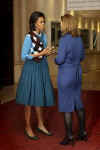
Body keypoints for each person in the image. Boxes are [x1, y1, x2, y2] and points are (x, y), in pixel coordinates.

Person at [16, 11, 54, 140]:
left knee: (39, 97)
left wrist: (48, 52)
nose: (43, 24)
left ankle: (40, 124)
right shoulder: (28, 37)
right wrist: (40, 53)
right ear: (34, 24)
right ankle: (27, 126)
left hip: (42, 68)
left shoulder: (44, 36)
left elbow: (42, 53)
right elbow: (23, 56)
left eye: (44, 21)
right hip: (31, 69)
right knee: (28, 99)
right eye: (41, 22)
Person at [55, 14, 87, 145]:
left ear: (66, 24)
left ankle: (69, 137)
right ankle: (82, 132)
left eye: (62, 22)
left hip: (66, 75)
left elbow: (60, 59)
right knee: (78, 103)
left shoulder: (64, 40)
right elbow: (82, 57)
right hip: (77, 74)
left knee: (66, 106)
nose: (61, 25)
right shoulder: (79, 39)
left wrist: (55, 58)